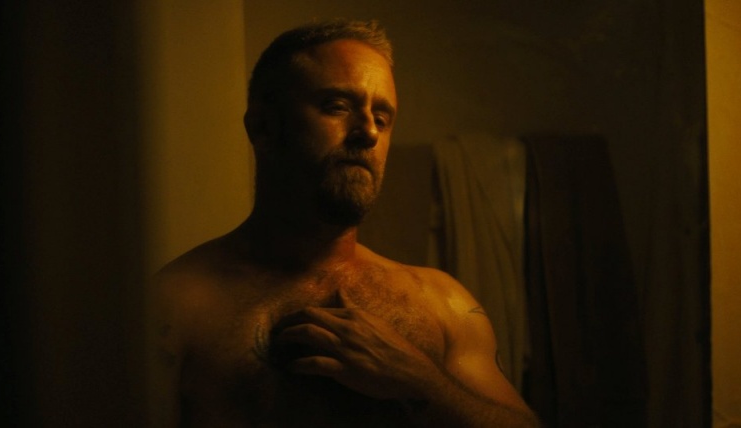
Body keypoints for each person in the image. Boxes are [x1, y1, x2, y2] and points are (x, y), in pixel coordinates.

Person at [147, 19, 539, 427]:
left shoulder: (444, 304)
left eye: (382, 117)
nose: (368, 132)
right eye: (337, 106)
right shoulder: (176, 307)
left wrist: (422, 383)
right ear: (264, 126)